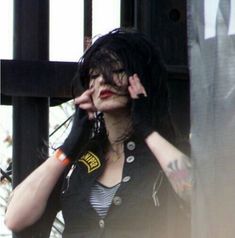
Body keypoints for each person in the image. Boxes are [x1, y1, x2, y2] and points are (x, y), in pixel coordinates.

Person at [5, 28, 192, 238]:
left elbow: (199, 195)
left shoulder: (168, 152)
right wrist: (69, 146)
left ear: (141, 78)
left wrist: (147, 129)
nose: (103, 80)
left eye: (117, 70)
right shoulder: (80, 161)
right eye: (94, 74)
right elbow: (15, 218)